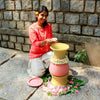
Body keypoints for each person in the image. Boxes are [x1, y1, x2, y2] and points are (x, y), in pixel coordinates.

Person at [27, 5, 57, 78]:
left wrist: (52, 41)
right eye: (42, 15)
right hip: (36, 55)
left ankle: (42, 65)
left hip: (46, 53)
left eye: (46, 16)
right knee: (38, 74)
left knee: (56, 61)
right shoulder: (32, 28)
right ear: (37, 15)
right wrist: (46, 41)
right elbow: (35, 43)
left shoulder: (48, 26)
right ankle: (34, 65)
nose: (44, 18)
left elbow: (49, 40)